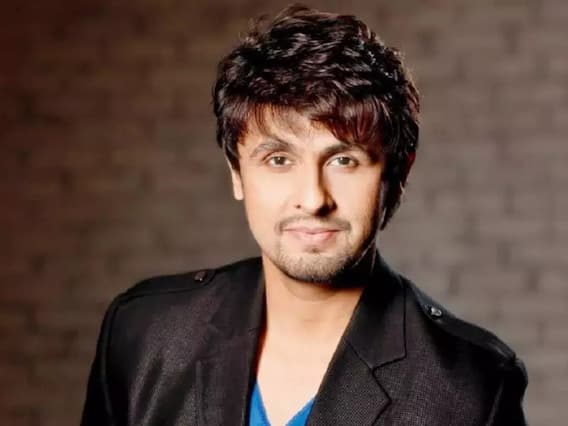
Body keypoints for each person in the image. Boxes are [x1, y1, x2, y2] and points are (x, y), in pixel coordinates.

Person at [81, 5, 528, 425]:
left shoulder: (470, 387)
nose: (313, 199)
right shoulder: (145, 334)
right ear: (237, 173)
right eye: (278, 159)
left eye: (344, 160)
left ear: (397, 174)